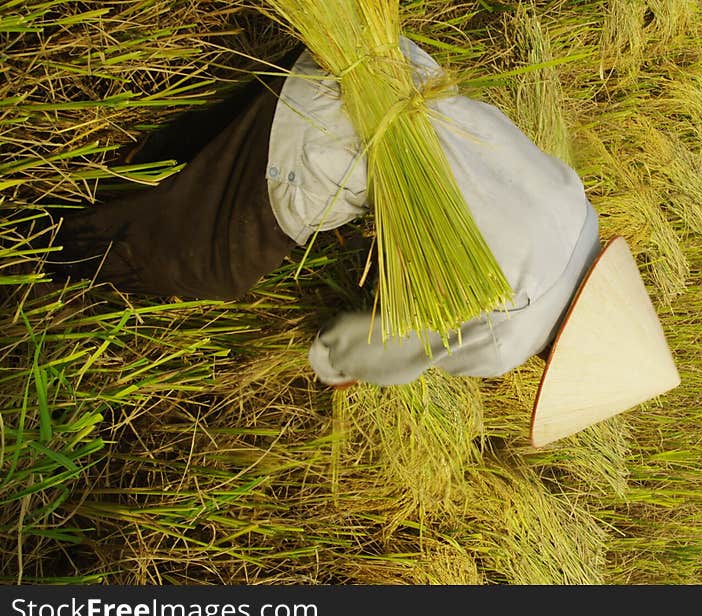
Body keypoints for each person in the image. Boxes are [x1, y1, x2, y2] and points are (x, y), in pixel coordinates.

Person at [47, 38, 602, 390]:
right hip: (323, 134)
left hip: (381, 62)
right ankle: (45, 239)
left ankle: (157, 151)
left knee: (210, 145)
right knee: (213, 263)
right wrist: (334, 366)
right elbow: (375, 345)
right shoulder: (512, 338)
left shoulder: (576, 206)